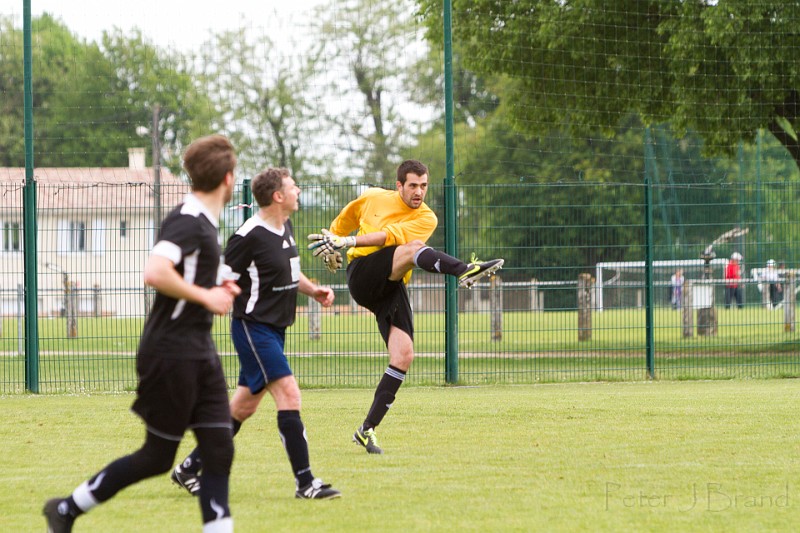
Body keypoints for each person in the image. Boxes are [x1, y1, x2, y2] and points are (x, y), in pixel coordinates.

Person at [44, 135, 241, 532]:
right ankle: (66, 509)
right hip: (171, 353)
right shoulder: (188, 220)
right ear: (228, 178)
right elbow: (154, 271)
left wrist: (218, 288)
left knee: (219, 449)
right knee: (157, 456)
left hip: (199, 351)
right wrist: (206, 295)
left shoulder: (204, 222)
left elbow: (186, 273)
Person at [308, 159, 503, 454]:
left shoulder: (427, 218)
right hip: (362, 274)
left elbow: (388, 237)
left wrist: (344, 240)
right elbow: (342, 223)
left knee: (404, 355)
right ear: (399, 185)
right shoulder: (373, 197)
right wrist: (333, 244)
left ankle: (366, 429)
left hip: (390, 285)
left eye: (424, 186)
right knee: (411, 250)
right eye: (413, 185)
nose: (419, 192)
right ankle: (464, 269)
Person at [170, 167, 341, 500]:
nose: (299, 191)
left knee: (242, 409)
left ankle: (189, 469)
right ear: (278, 196)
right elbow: (218, 277)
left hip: (275, 330)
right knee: (289, 394)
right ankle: (305, 483)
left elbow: (290, 271)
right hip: (253, 328)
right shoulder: (247, 236)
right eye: (294, 187)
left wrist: (314, 291)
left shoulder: (284, 226)